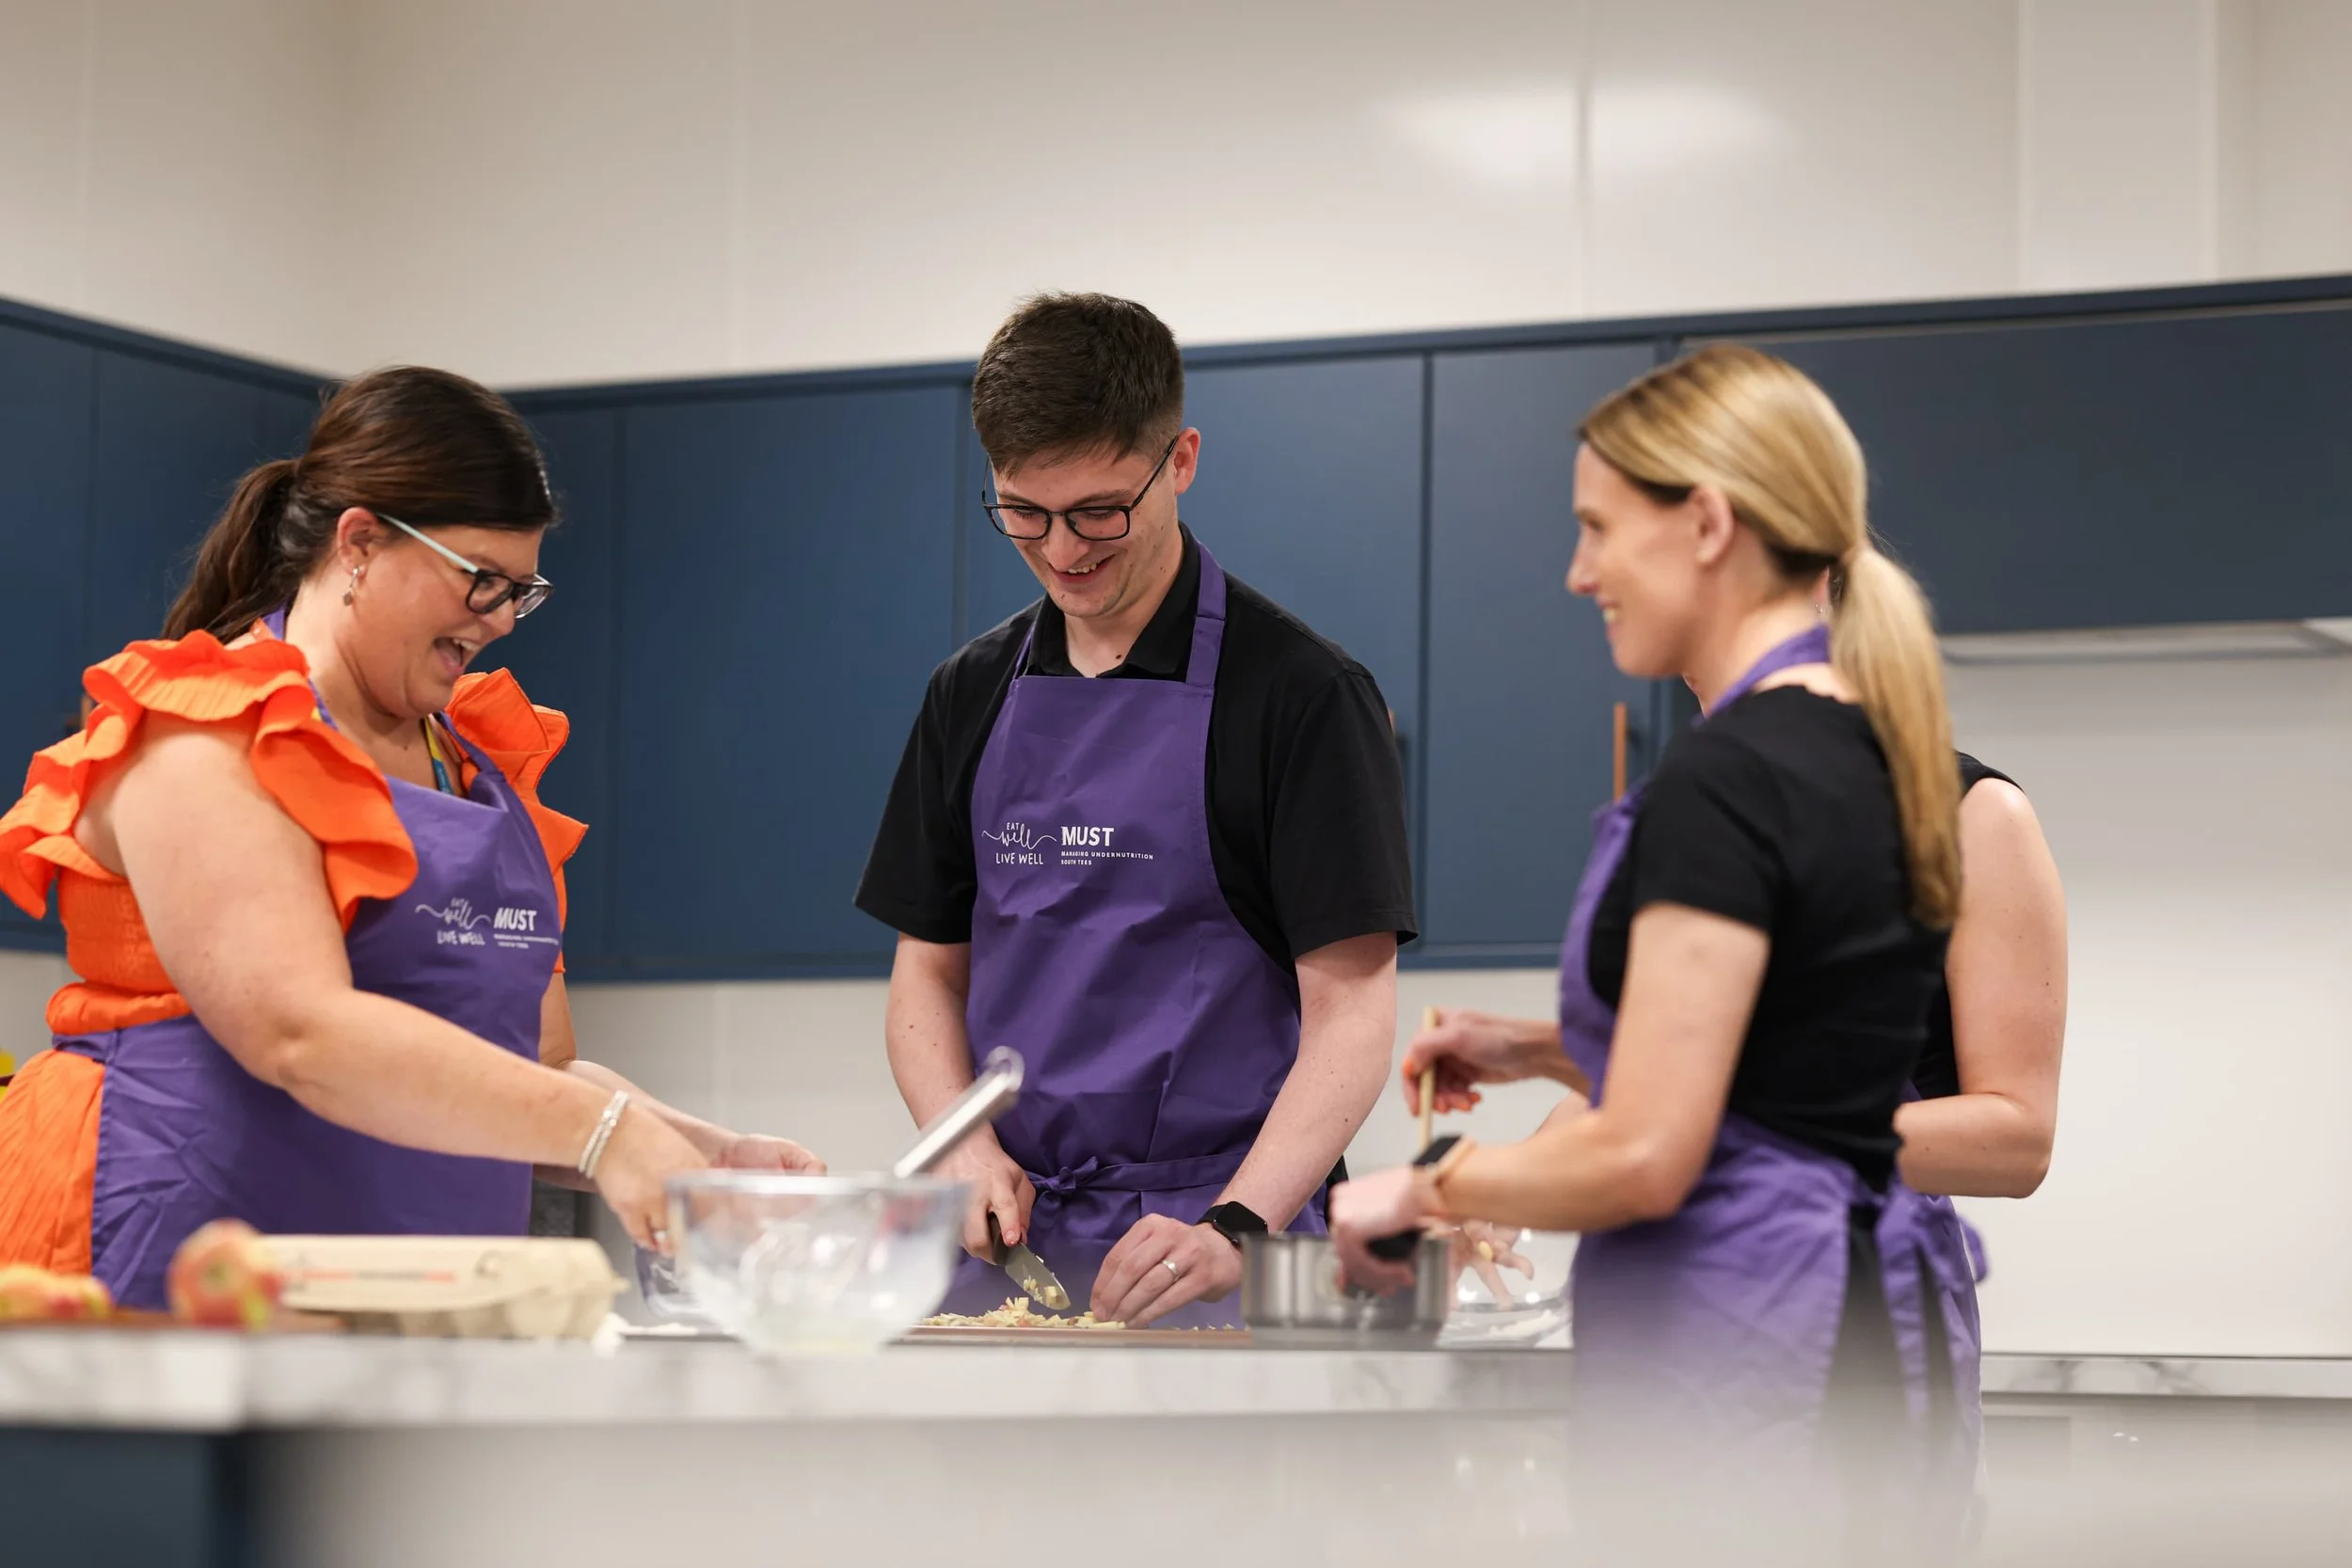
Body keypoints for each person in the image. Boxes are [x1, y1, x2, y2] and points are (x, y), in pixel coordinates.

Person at [1330, 343, 1977, 1546]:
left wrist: (1419, 1190)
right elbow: (1786, 1071)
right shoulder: (1873, 756)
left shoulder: (1727, 782)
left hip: (1744, 1360)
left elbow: (1645, 1157)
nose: (1578, 574)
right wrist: (1534, 1045)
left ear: (1707, 523)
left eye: (1597, 528)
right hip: (1853, 1335)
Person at [0, 367, 819, 1308]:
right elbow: (298, 1028)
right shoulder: (204, 732)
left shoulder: (478, 766)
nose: (503, 619)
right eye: (480, 579)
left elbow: (533, 1072)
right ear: (359, 541)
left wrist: (701, 1157)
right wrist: (604, 1131)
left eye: (522, 589)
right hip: (171, 1272)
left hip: (413, 1300)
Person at [857, 293, 1414, 1328]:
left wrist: (1234, 1226)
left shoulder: (1299, 695)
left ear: (1182, 459)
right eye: (1023, 511)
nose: (1063, 549)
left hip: (1217, 1246)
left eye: (1100, 511)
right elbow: (925, 973)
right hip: (1007, 1246)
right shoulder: (966, 693)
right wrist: (960, 1142)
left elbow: (1352, 1016)